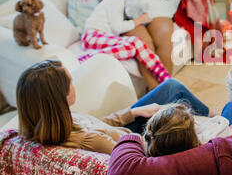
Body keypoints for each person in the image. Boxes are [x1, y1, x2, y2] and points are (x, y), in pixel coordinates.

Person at [15, 60, 211, 155]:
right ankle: (217, 119)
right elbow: (140, 155)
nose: (74, 85)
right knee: (177, 98)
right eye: (70, 81)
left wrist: (134, 112)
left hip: (122, 129)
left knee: (170, 86)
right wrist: (159, 129)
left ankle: (211, 115)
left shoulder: (50, 122)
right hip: (138, 139)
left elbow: (97, 123)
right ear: (60, 97)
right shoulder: (92, 141)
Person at [80, 0, 171, 87]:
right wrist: (140, 20)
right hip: (92, 36)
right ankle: (165, 78)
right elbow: (118, 27)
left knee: (132, 48)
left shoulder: (120, 2)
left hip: (96, 37)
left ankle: (165, 79)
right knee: (136, 42)